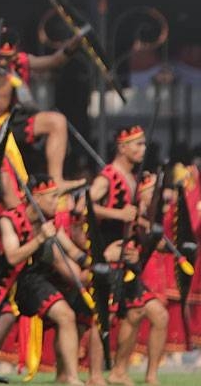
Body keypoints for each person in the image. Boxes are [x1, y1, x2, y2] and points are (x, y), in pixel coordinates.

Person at [0, 175, 100, 386]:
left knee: (80, 311)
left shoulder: (49, 223)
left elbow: (71, 252)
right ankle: (72, 378)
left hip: (42, 279)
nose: (57, 203)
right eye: (52, 198)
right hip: (17, 282)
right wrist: (40, 239)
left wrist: (95, 265)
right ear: (36, 197)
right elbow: (13, 256)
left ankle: (64, 374)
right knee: (65, 315)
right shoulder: (9, 220)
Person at [0, 26, 81, 189]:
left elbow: (53, 61)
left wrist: (73, 45)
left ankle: (57, 180)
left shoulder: (19, 61)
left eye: (8, 57)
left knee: (57, 121)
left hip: (11, 123)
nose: (4, 62)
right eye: (0, 57)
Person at [89, 126, 169, 386]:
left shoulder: (133, 178)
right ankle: (94, 376)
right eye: (138, 145)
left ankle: (134, 373)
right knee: (105, 316)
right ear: (122, 147)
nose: (142, 150)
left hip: (127, 261)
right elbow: (83, 206)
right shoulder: (107, 177)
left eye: (144, 145)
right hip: (108, 258)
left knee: (155, 314)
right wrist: (118, 215)